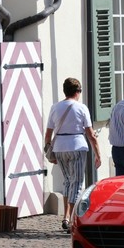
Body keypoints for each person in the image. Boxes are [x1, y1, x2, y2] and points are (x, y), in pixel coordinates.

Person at [44, 78, 101, 231]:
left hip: (60, 147)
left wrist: (49, 153)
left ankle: (66, 216)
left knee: (68, 181)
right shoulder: (81, 108)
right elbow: (91, 135)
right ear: (77, 92)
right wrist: (98, 154)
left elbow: (48, 134)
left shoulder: (55, 107)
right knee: (77, 183)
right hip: (77, 145)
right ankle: (70, 218)